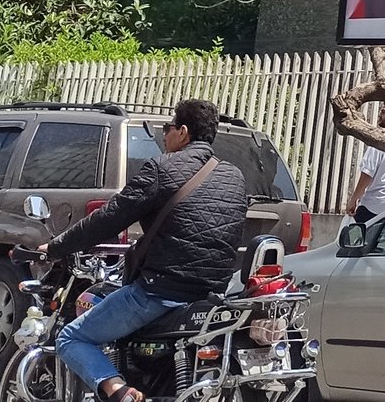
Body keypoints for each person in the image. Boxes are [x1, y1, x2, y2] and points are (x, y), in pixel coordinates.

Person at [44, 99, 246, 402]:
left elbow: (109, 218)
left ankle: (119, 392)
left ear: (183, 131)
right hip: (212, 294)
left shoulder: (163, 167)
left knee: (72, 337)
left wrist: (56, 246)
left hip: (161, 291)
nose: (164, 135)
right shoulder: (235, 176)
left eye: (168, 127)